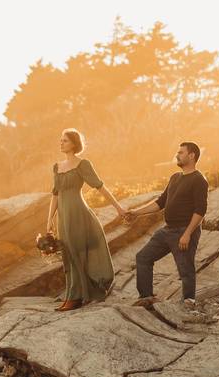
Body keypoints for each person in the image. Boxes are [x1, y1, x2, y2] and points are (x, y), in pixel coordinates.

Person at [43, 129, 127, 311]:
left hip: (79, 214)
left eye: (65, 140)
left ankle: (76, 296)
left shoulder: (83, 164)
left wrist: (118, 207)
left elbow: (100, 186)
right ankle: (74, 295)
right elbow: (55, 195)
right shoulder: (57, 167)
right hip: (63, 217)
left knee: (77, 252)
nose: (61, 143)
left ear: (74, 144)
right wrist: (49, 220)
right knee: (68, 254)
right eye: (60, 140)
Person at [124, 141, 208, 305]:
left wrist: (187, 234)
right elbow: (160, 202)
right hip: (167, 231)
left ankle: (189, 304)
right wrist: (136, 213)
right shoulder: (175, 177)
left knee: (186, 270)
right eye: (177, 152)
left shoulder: (199, 180)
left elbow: (200, 211)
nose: (177, 155)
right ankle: (146, 298)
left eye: (181, 152)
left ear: (192, 156)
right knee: (143, 257)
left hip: (184, 231)